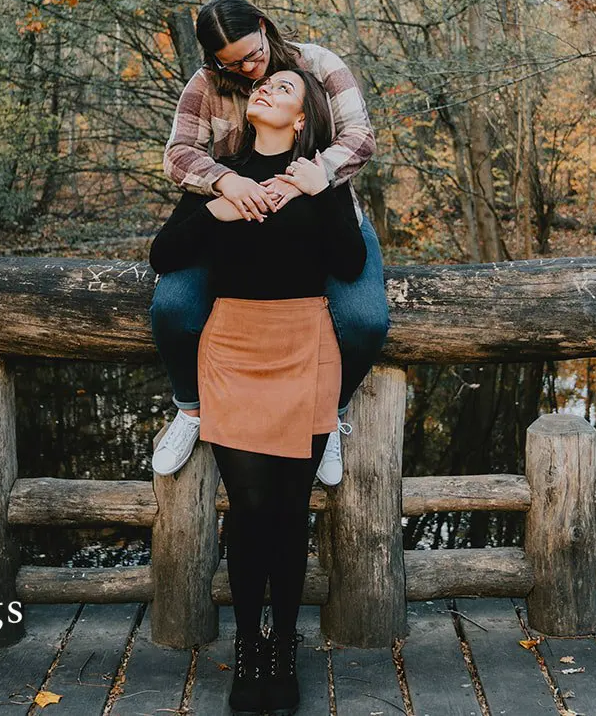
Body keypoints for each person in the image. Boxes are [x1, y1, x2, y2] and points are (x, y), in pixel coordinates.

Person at [149, 67, 365, 715]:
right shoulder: (223, 170)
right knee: (247, 508)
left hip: (304, 343)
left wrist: (320, 188)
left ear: (301, 120)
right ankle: (249, 645)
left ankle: (284, 647)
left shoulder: (317, 175)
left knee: (289, 509)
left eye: (286, 89)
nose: (269, 90)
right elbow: (164, 254)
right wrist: (216, 203)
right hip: (234, 347)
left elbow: (350, 264)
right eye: (264, 86)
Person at [151, 0, 389, 486]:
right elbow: (177, 154)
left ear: (263, 26)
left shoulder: (318, 65)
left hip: (322, 216)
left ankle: (329, 416)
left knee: (365, 321)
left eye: (252, 55)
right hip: (232, 224)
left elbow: (360, 138)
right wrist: (225, 182)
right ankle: (191, 409)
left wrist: (303, 180)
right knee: (173, 308)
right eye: (231, 64)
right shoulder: (207, 85)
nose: (248, 71)